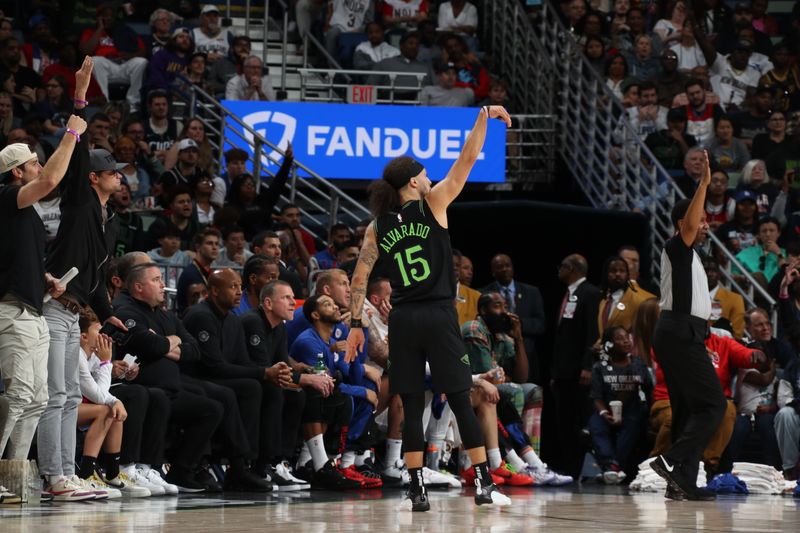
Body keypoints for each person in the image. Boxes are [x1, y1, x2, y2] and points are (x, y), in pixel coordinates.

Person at [345, 105, 513, 511]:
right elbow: (468, 158)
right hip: (438, 315)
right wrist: (483, 118)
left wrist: (354, 324)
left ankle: (416, 488)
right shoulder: (433, 203)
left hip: (403, 318)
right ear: (414, 180)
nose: (430, 175)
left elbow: (359, 278)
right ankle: (485, 485)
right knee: (459, 396)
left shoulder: (377, 226)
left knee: (413, 403)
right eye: (424, 171)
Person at [0, 105, 87, 503]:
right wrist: (72, 130)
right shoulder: (5, 198)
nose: (40, 168)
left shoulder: (27, 216)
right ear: (16, 172)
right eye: (33, 163)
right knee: (19, 394)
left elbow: (19, 261)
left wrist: (47, 280)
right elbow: (54, 177)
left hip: (31, 310)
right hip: (10, 311)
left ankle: (13, 477)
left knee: (37, 399)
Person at [650, 150, 728, 501]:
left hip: (681, 333)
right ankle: (671, 460)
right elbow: (692, 224)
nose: (704, 225)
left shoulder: (691, 255)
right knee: (714, 405)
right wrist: (704, 185)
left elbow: (695, 225)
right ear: (682, 224)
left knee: (688, 409)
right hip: (679, 331)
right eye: (697, 221)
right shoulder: (676, 245)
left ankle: (681, 481)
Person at [551, 253, 600, 478]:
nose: (559, 270)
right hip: (563, 371)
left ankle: (579, 467)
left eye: (561, 266)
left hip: (579, 371)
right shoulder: (568, 294)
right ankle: (568, 466)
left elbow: (592, 332)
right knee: (564, 421)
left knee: (579, 420)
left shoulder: (590, 293)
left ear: (571, 268)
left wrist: (588, 366)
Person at [589, 325, 652, 484]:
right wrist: (604, 413)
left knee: (633, 423)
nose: (625, 341)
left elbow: (649, 390)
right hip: (607, 409)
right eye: (620, 338)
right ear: (609, 344)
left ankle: (614, 467)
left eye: (627, 337)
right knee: (596, 424)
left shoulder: (637, 364)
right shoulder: (600, 367)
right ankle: (610, 464)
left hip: (632, 408)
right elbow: (596, 396)